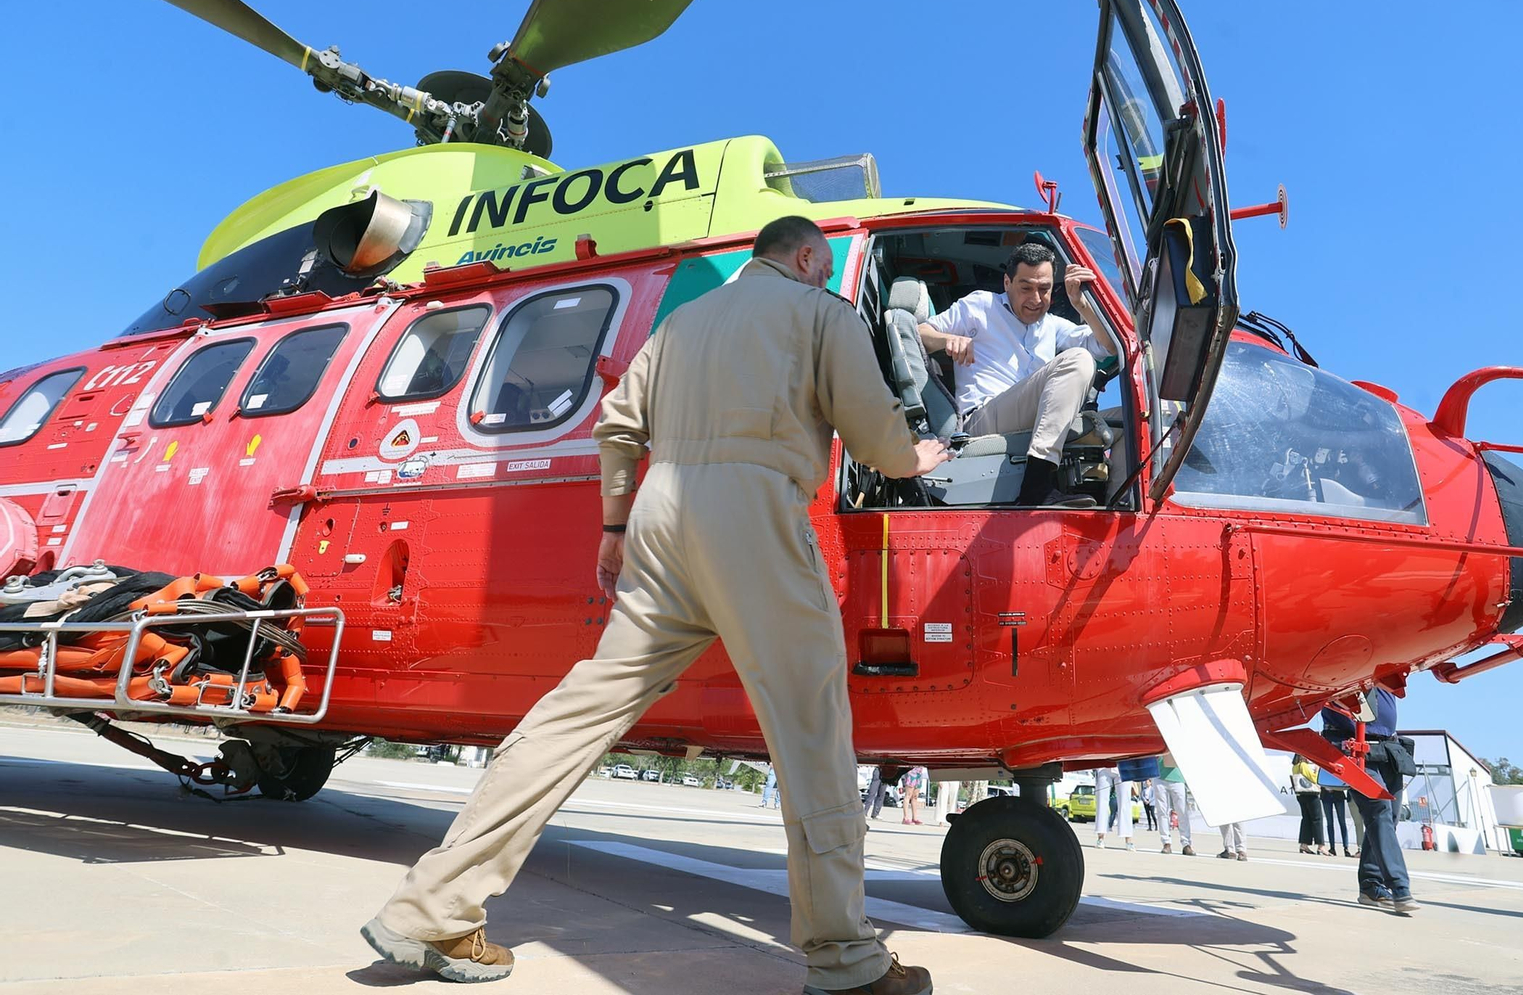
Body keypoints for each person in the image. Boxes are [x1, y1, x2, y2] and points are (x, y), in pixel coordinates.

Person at [360, 216, 948, 994]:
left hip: (660, 513)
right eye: (822, 265)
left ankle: (430, 905)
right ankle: (846, 959)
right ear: (808, 256)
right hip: (757, 513)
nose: (822, 275)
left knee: (581, 711)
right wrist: (915, 454)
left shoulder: (681, 324)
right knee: (811, 731)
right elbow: (874, 439)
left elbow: (616, 426)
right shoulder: (821, 312)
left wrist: (614, 527)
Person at [916, 241, 1116, 504]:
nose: (1036, 299)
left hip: (1031, 417)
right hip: (982, 418)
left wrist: (1081, 304)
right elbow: (920, 333)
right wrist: (947, 340)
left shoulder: (1052, 325)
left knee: (1122, 423)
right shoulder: (981, 305)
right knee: (1079, 359)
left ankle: (1115, 504)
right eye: (1026, 288)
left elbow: (1109, 345)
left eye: (1044, 289)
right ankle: (1037, 483)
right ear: (1007, 283)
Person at [1322, 690, 1420, 915]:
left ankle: (1370, 885)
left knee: (1390, 817)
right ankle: (1400, 887)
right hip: (1351, 743)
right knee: (1379, 810)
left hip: (1388, 746)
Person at [1153, 760, 1194, 856]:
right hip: (1159, 776)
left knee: (1182, 811)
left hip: (1178, 777)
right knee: (1162, 811)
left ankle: (1186, 843)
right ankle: (1166, 842)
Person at [1292, 754, 1328, 855]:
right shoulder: (1303, 765)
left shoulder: (1295, 767)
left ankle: (1304, 844)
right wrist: (1317, 770)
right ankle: (1321, 845)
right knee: (1317, 819)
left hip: (1301, 794)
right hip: (1311, 794)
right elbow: (1314, 778)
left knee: (1306, 819)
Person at [1319, 764, 1354, 857]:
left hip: (1338, 794)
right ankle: (1332, 847)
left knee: (1342, 822)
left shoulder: (1337, 765)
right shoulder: (1322, 766)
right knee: (1330, 823)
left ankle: (1346, 847)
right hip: (1326, 795)